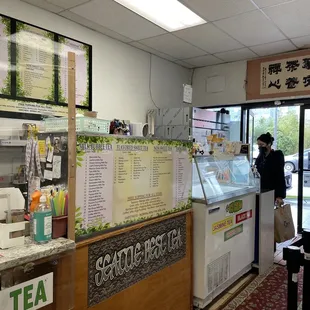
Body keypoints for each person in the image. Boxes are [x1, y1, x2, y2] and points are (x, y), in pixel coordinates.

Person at [255, 132, 286, 205]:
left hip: (271, 191)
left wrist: (280, 195)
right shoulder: (260, 157)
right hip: (260, 190)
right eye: (258, 145)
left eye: (262, 144)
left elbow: (280, 175)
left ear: (269, 144)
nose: (259, 147)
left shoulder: (277, 156)